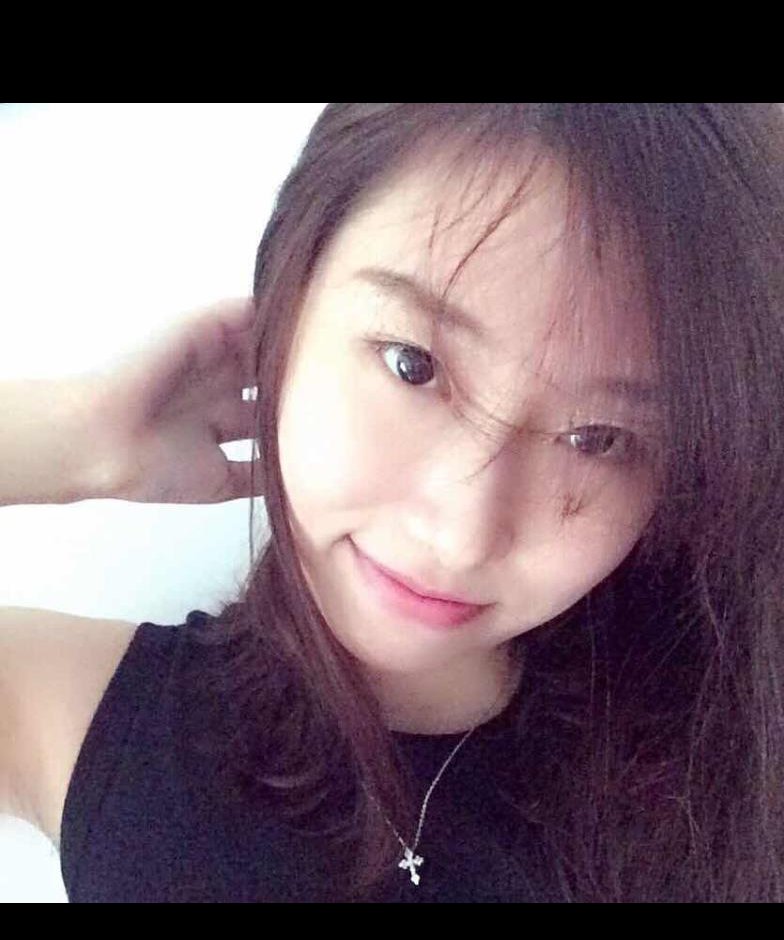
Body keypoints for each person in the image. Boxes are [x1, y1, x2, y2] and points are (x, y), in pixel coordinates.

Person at [1, 103, 783, 903]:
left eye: (598, 440)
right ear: (286, 305)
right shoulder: (82, 715)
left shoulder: (735, 756)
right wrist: (72, 440)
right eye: (413, 365)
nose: (463, 534)